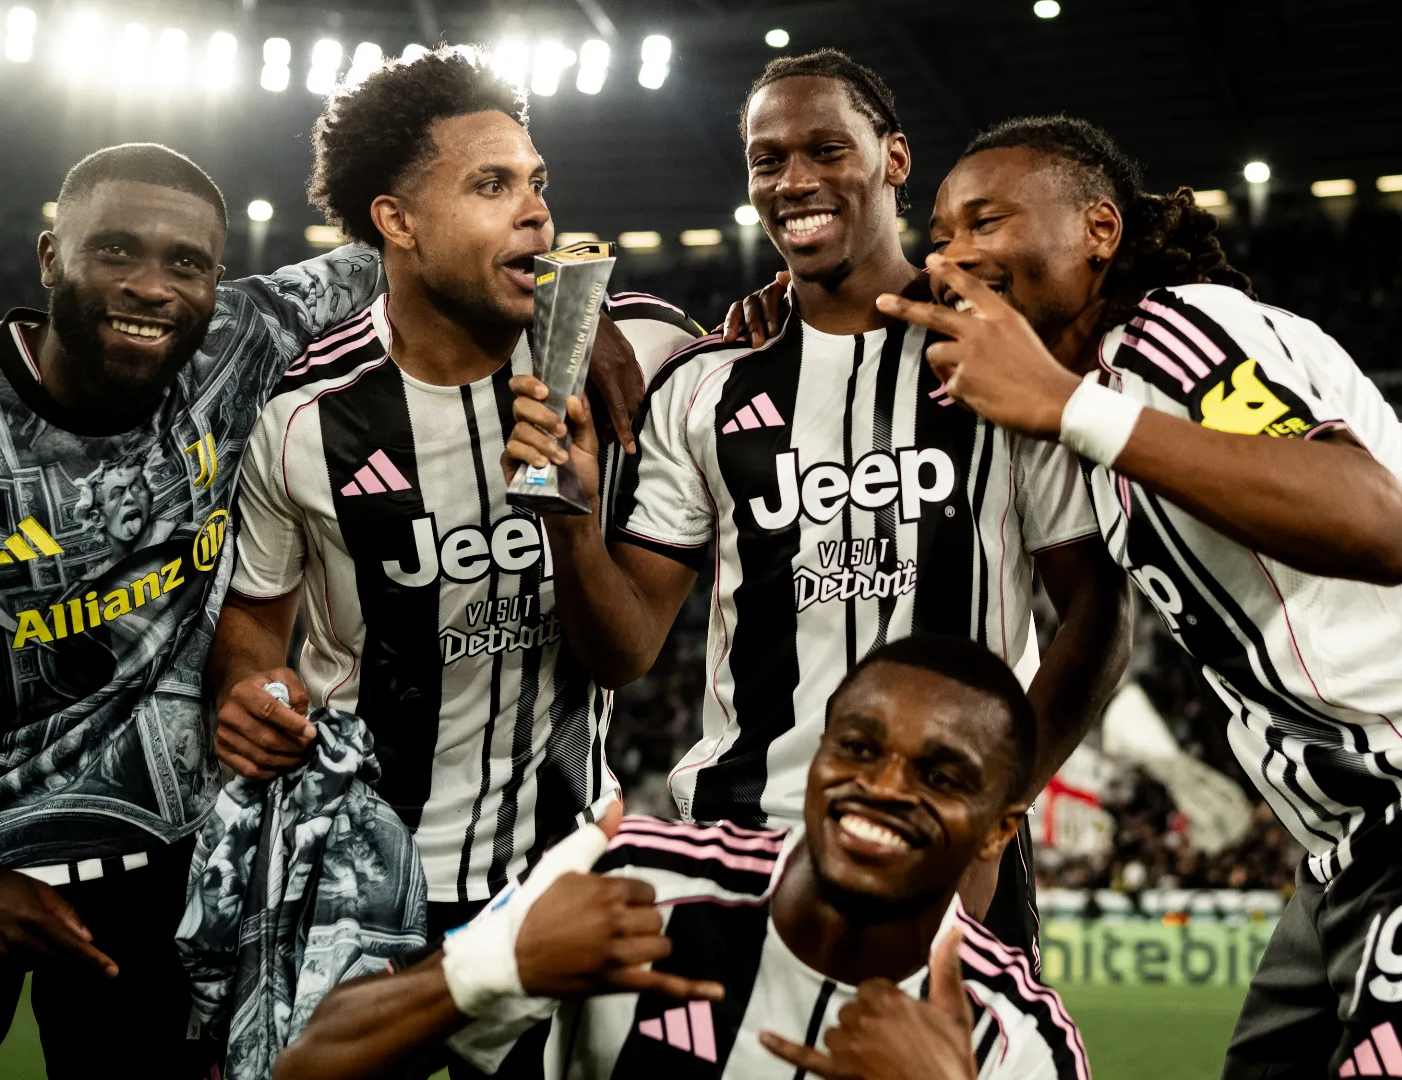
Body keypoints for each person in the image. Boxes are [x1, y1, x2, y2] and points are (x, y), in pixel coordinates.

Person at [877, 115, 1402, 1080]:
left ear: (1099, 230)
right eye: (942, 233)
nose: (952, 253)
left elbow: (1378, 523)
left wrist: (1069, 407)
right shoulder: (1090, 413)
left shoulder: (1177, 330)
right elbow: (1094, 624)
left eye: (987, 221)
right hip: (1354, 843)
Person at [500, 49, 1131, 958]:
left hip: (949, 846)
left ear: (894, 158)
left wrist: (993, 807)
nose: (794, 180)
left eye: (827, 150)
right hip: (741, 848)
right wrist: (567, 513)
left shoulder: (1001, 360)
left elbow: (1100, 617)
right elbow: (625, 651)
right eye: (768, 160)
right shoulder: (706, 384)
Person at [0, 143, 385, 1080]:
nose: (152, 285)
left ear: (217, 280)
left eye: (186, 263)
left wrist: (594, 327)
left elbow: (423, 247)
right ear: (50, 256)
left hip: (160, 882)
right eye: (115, 251)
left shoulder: (243, 340)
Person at [207, 47, 700, 940]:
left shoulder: (641, 359)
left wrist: (570, 522)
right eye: (491, 185)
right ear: (397, 220)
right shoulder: (303, 418)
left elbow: (625, 656)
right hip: (357, 874)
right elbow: (255, 618)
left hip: (561, 868)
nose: (537, 210)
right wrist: (249, 687)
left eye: (536, 181)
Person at [274, 634, 1089, 1080]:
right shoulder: (637, 882)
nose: (881, 788)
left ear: (998, 830)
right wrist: (491, 966)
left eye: (941, 777)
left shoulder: (1019, 1044)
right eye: (858, 748)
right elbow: (310, 1065)